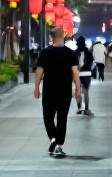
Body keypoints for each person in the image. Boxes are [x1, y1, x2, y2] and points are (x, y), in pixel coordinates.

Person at [33, 29, 80, 158]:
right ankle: (58, 142)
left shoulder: (46, 52)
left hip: (49, 90)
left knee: (48, 117)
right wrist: (78, 89)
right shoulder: (70, 53)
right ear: (63, 36)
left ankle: (54, 138)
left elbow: (39, 71)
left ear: (51, 37)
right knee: (62, 118)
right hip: (65, 90)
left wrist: (36, 87)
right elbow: (75, 73)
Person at [75, 36, 94, 117]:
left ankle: (79, 108)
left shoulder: (75, 52)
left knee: (78, 91)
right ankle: (86, 109)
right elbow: (92, 63)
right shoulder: (88, 52)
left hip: (77, 73)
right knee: (86, 92)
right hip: (87, 73)